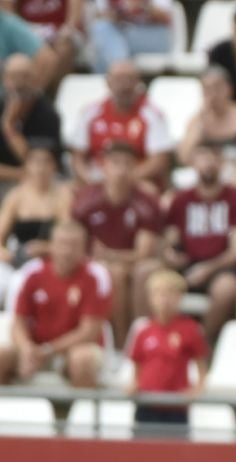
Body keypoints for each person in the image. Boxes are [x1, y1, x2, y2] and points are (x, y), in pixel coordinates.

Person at [0, 219, 108, 391]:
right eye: (63, 244)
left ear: (83, 248)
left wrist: (49, 350)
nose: (67, 250)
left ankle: (83, 414)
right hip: (36, 348)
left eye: (73, 245)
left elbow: (89, 332)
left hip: (71, 350)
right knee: (2, 356)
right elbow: (18, 321)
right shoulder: (33, 274)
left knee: (82, 359)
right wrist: (27, 348)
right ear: (51, 245)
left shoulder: (94, 277)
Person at [71, 141, 160, 344]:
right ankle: (121, 342)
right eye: (115, 163)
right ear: (104, 166)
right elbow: (75, 242)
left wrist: (109, 254)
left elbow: (143, 253)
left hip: (130, 262)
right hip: (96, 262)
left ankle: (142, 339)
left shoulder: (146, 202)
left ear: (136, 168)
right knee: (114, 274)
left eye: (127, 164)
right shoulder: (85, 200)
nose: (121, 170)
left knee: (141, 272)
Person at [64, 58, 172, 187]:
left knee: (149, 189)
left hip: (135, 181)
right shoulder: (90, 112)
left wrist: (121, 180)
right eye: (118, 79)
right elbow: (77, 156)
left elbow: (159, 160)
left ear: (138, 82)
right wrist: (88, 178)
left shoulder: (152, 115)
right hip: (96, 179)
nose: (124, 85)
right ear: (108, 82)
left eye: (129, 79)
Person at [125, 270, 208, 431]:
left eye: (170, 294)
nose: (164, 300)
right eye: (159, 294)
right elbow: (137, 364)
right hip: (147, 404)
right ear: (150, 299)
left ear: (180, 298)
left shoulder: (190, 329)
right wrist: (135, 384)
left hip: (175, 406)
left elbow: (201, 365)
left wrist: (197, 388)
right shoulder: (144, 331)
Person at [178, 67, 236, 192]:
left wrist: (224, 191)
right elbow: (184, 159)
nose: (213, 94)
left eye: (217, 87)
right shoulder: (197, 120)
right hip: (204, 186)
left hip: (235, 185)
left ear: (229, 89)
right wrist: (201, 124)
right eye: (207, 89)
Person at [0, 143, 71, 291]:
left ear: (54, 166)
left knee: (21, 282)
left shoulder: (63, 195)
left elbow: (68, 234)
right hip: (18, 255)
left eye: (46, 162)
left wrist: (47, 248)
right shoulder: (16, 196)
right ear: (27, 166)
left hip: (52, 258)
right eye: (36, 162)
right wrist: (7, 254)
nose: (41, 168)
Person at [0, 52, 62, 184]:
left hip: (39, 182)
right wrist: (18, 175)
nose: (19, 82)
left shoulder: (47, 114)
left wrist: (8, 126)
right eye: (13, 77)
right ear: (4, 80)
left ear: (35, 80)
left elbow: (39, 164)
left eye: (25, 76)